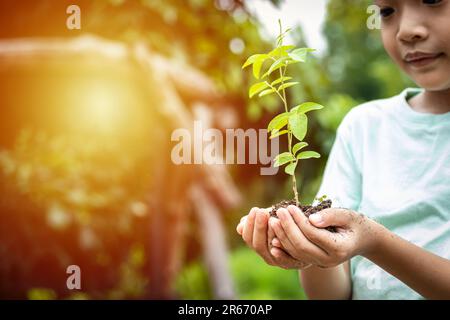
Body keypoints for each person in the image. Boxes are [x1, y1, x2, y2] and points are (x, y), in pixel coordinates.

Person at [237, 0, 450, 299]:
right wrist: (309, 249)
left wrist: (374, 242)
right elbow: (332, 294)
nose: (405, 31)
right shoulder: (364, 127)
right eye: (387, 11)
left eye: (432, 0)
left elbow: (366, 240)